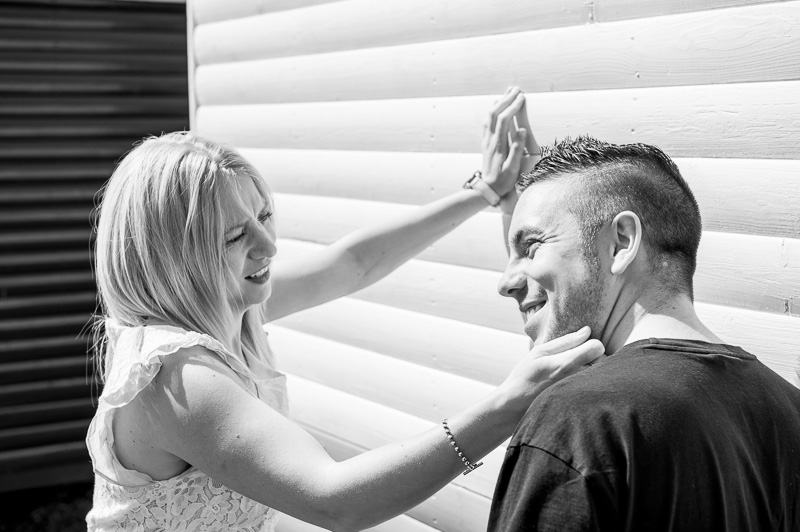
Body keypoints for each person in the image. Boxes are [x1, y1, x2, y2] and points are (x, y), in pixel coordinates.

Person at [84, 88, 604, 531]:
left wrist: (485, 192)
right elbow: (333, 498)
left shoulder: (223, 305)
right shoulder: (177, 379)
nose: (269, 246)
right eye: (237, 236)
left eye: (264, 216)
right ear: (177, 260)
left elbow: (351, 264)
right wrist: (510, 404)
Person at [487, 136, 800, 531]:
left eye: (531, 246)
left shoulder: (580, 418)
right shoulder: (791, 410)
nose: (506, 282)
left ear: (622, 243)